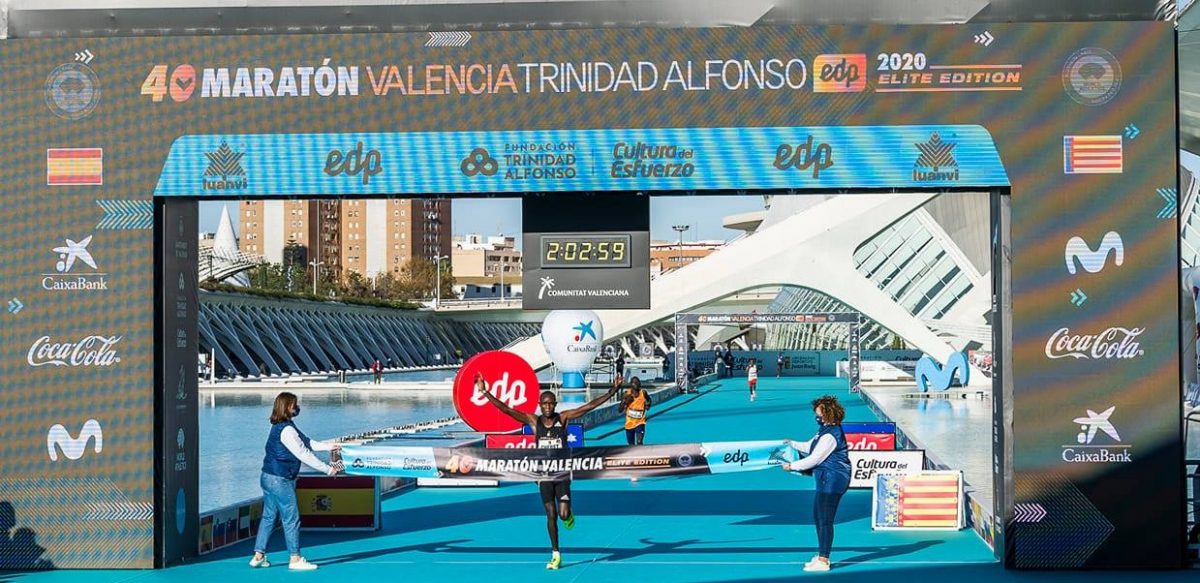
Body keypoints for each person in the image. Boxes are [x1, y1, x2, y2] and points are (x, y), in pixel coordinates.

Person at [477, 375, 622, 570]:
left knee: (562, 515)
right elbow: (507, 410)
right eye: (544, 404)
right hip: (543, 476)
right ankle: (556, 554)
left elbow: (586, 408)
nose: (547, 407)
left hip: (562, 474)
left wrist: (611, 392)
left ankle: (569, 515)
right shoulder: (532, 421)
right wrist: (485, 392)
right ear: (539, 405)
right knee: (550, 514)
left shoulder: (562, 419)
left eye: (550, 403)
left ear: (554, 404)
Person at [250, 392, 343, 571]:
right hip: (280, 479)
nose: (297, 407)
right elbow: (303, 454)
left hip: (267, 476)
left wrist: (329, 446)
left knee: (269, 516)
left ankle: (258, 555)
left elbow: (307, 442)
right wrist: (328, 469)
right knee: (291, 518)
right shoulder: (287, 430)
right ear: (286, 407)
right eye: (294, 405)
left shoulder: (284, 425)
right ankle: (295, 558)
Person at [781, 395, 851, 573]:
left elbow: (814, 458)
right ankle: (821, 554)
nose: (816, 417)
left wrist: (792, 466)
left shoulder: (831, 435)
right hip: (825, 479)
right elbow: (808, 446)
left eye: (818, 414)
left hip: (833, 480)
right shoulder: (824, 430)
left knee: (825, 519)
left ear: (827, 414)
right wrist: (791, 443)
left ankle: (824, 559)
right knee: (818, 517)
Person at [619, 377, 651, 445]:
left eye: (638, 382)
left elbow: (649, 400)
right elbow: (620, 410)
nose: (636, 384)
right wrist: (625, 402)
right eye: (634, 382)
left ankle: (641, 454)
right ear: (631, 384)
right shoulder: (626, 394)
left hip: (640, 422)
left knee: (639, 442)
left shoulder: (643, 392)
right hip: (629, 424)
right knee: (631, 445)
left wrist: (648, 405)